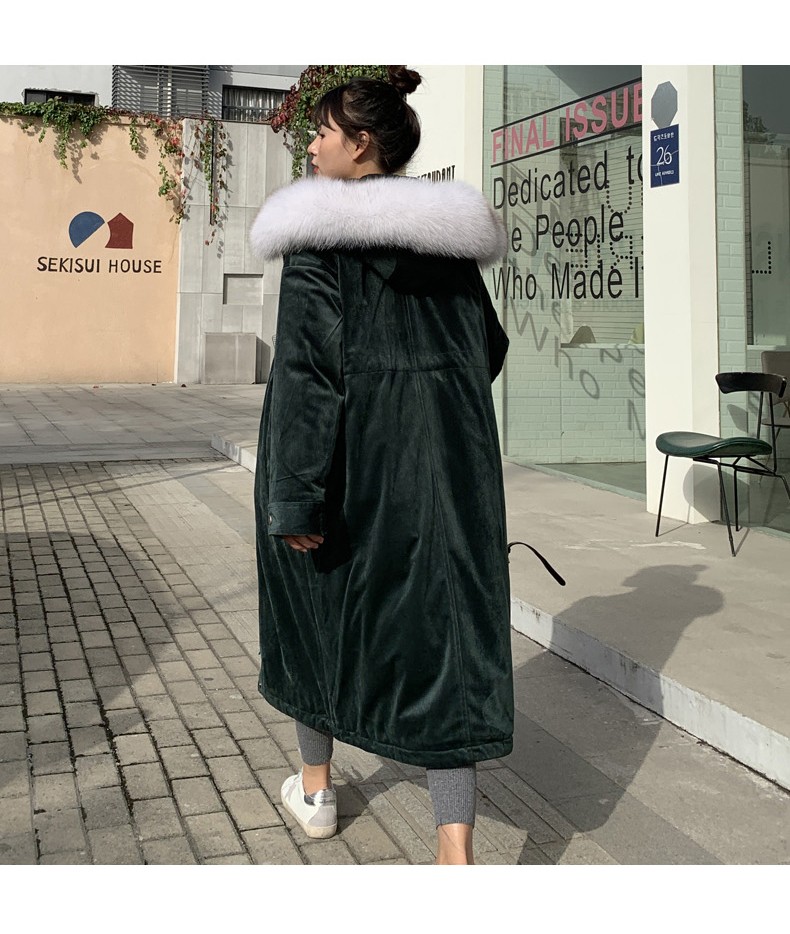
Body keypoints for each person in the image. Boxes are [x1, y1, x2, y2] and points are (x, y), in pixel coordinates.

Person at [249, 65, 511, 865]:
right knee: (448, 649)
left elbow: (306, 377)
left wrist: (295, 497)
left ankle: (316, 792)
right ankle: (455, 853)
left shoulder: (321, 241)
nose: (312, 145)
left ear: (362, 144)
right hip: (448, 480)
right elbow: (489, 350)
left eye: (324, 132)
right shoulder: (448, 245)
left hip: (346, 478)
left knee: (314, 620)